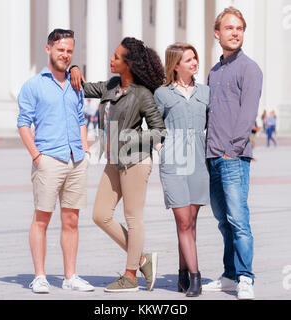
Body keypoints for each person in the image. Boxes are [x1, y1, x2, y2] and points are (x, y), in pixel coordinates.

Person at [70, 37, 166, 292]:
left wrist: (134, 137)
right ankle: (143, 259)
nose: (111, 59)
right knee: (100, 215)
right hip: (114, 161)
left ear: (128, 63)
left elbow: (159, 131)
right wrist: (73, 69)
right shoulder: (111, 85)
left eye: (116, 56)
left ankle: (131, 276)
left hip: (135, 161)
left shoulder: (143, 95)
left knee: (133, 219)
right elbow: (82, 87)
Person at [17, 29, 94, 294]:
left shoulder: (76, 84)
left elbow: (81, 119)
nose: (65, 54)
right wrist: (36, 156)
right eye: (60, 49)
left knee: (71, 219)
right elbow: (23, 123)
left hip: (76, 159)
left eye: (69, 51)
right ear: (48, 48)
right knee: (42, 218)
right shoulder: (33, 86)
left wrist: (84, 148)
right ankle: (39, 276)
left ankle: (70, 276)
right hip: (48, 158)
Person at [203, 7, 263, 300]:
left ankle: (246, 276)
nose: (235, 33)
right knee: (223, 220)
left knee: (239, 220)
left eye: (239, 28)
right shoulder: (214, 72)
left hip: (233, 157)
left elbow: (247, 115)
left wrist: (231, 152)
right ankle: (229, 275)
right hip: (212, 157)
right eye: (229, 28)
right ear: (218, 33)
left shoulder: (249, 69)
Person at [154, 43, 210, 297]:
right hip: (174, 162)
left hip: (198, 162)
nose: (194, 62)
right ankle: (195, 278)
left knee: (191, 223)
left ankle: (182, 275)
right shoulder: (162, 94)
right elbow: (154, 123)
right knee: (183, 221)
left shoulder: (205, 92)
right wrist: (159, 144)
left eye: (195, 58)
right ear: (175, 66)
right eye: (188, 59)